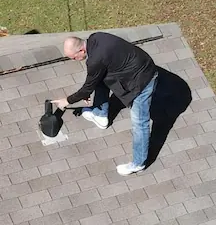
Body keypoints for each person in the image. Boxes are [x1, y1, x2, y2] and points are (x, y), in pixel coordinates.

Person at [52, 32, 158, 176]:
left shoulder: (95, 60)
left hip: (143, 80)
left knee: (140, 123)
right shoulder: (96, 38)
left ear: (81, 50)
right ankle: (100, 115)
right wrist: (87, 91)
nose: (74, 60)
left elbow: (88, 86)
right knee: (100, 78)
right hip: (138, 65)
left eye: (74, 58)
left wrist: (67, 100)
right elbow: (94, 79)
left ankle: (138, 163)